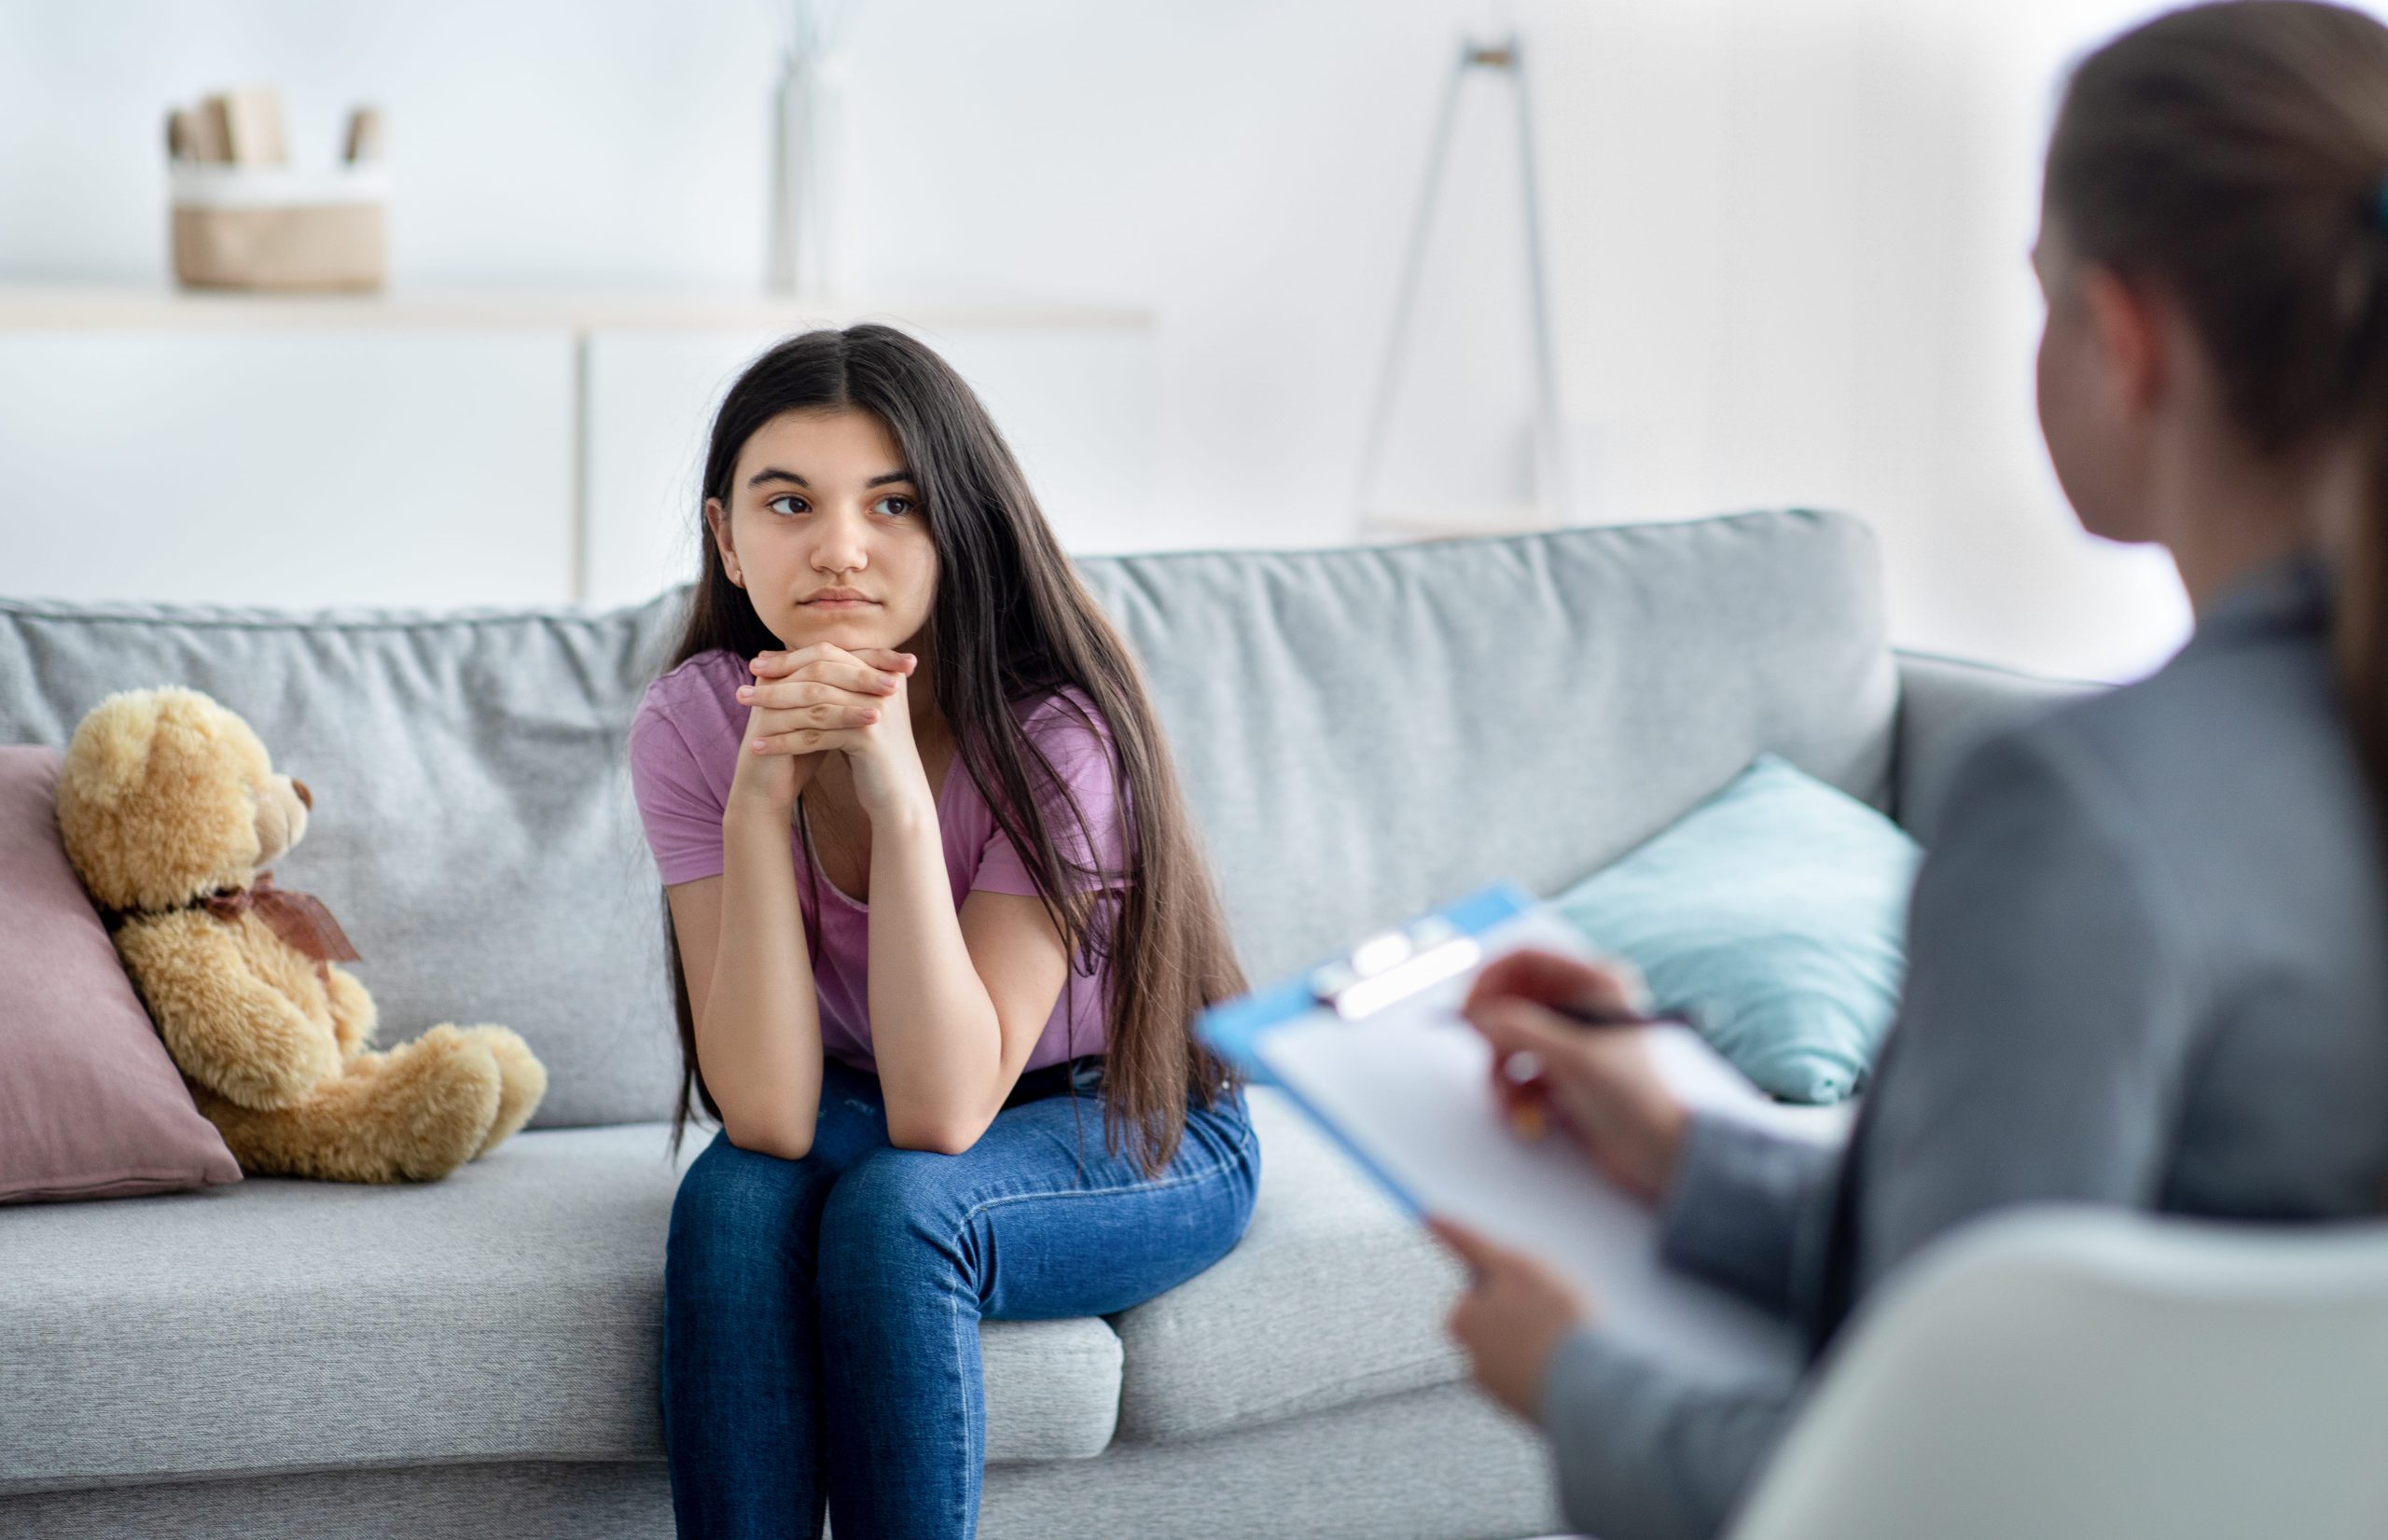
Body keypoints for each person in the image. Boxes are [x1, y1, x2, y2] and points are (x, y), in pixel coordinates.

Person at [1428, 5, 2388, 1536]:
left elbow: (1942, 1487)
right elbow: (2110, 1286)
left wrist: (1574, 1380)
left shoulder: (2085, 815)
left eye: (2042, 302)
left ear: (2125, 342)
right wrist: (1692, 1158)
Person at [626, 325, 1259, 1540]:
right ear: (727, 536)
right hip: (870, 1096)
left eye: (894, 505)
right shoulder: (695, 726)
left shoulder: (1056, 735)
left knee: (900, 1215)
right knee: (730, 1203)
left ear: (954, 525)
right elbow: (765, 1116)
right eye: (790, 502)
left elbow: (941, 1121)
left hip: (1128, 1116)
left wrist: (900, 807)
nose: (840, 549)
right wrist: (762, 802)